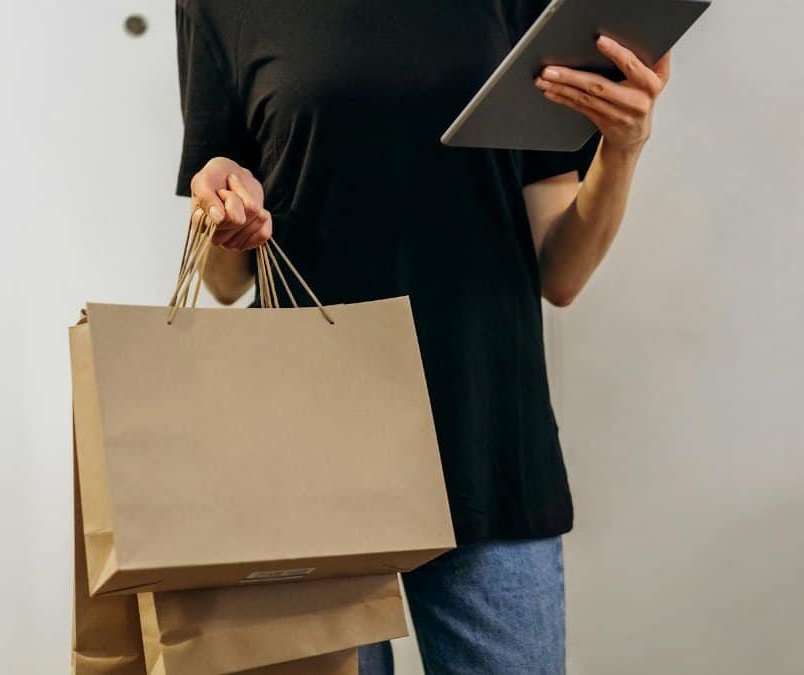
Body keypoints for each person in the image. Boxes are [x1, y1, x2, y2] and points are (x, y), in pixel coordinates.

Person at [174, 2, 670, 673]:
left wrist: (623, 147)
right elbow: (225, 278)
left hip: (486, 441)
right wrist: (221, 209)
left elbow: (560, 272)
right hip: (304, 459)